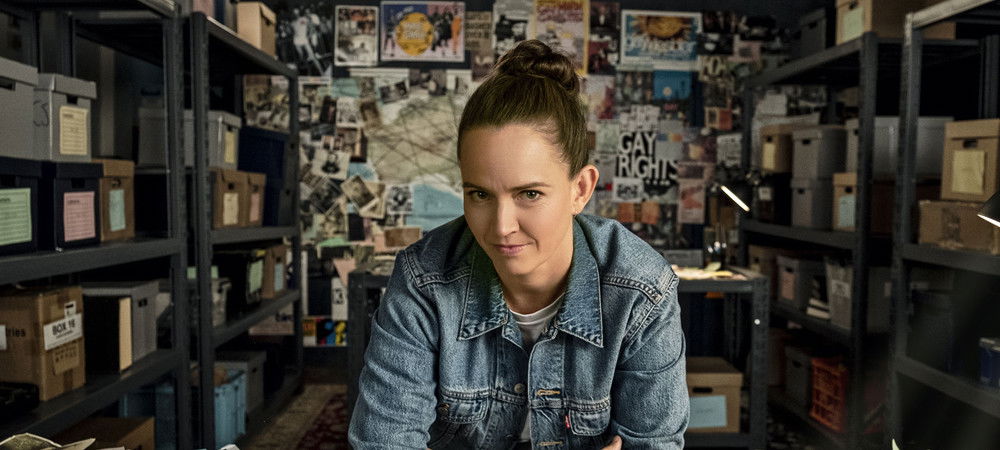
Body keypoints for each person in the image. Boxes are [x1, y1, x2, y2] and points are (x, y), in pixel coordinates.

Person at [348, 40, 689, 449]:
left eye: (529, 194)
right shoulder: (424, 280)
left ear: (580, 189)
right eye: (480, 194)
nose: (501, 226)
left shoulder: (642, 291)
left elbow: (654, 444)